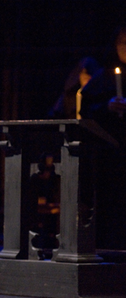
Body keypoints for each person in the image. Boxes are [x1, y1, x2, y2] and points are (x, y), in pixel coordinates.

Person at [80, 25, 126, 250]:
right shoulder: (103, 76)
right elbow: (86, 110)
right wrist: (107, 106)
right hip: (109, 153)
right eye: (122, 43)